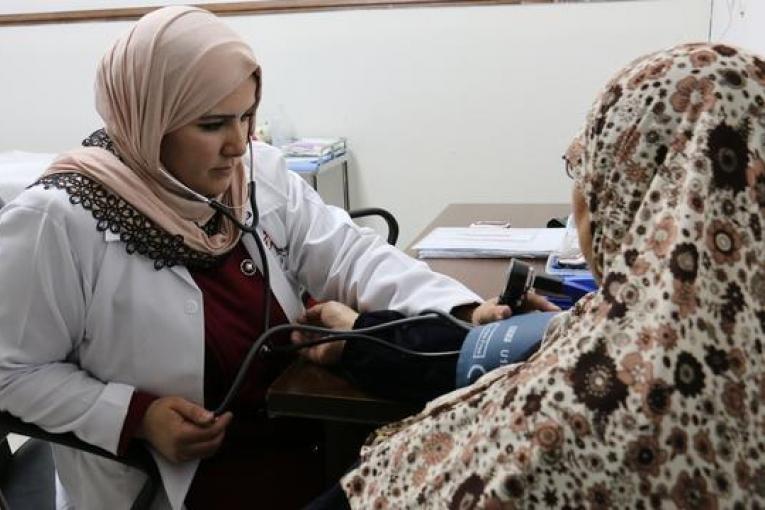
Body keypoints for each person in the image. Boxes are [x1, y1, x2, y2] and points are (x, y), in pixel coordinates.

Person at [0, 6, 510, 509]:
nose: (238, 144)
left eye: (247, 116)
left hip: (309, 442)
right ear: (149, 120)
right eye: (212, 124)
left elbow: (349, 255)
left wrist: (461, 314)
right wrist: (134, 416)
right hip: (186, 483)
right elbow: (9, 372)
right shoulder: (60, 218)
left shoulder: (254, 176)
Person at [303, 42, 765, 509]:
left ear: (631, 195)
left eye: (586, 170)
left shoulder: (585, 402)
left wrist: (359, 337)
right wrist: (363, 334)